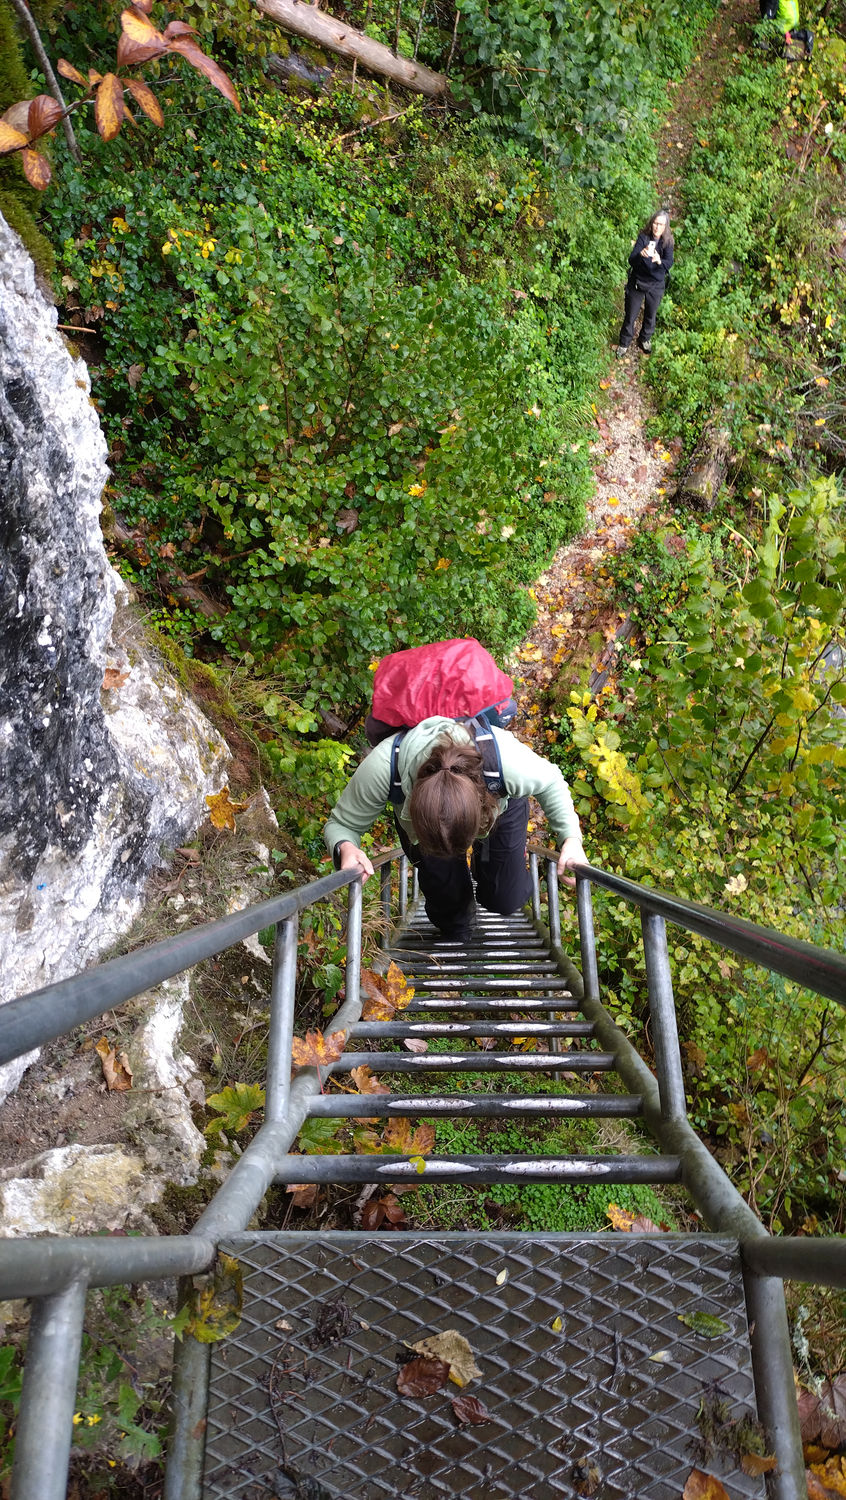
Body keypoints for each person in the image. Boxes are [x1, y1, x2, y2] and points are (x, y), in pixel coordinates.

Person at [324, 714, 586, 941]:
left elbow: (552, 781)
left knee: (504, 898)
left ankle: (485, 867)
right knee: (452, 917)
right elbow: (342, 824)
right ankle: (457, 918)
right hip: (424, 830)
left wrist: (571, 839)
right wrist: (345, 847)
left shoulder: (507, 763)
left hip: (499, 807)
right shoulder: (382, 769)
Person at [616, 209, 674, 358]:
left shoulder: (667, 242)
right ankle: (624, 343)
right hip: (638, 280)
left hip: (656, 284)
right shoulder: (643, 237)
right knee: (631, 314)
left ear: (665, 226)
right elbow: (631, 260)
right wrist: (641, 255)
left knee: (651, 314)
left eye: (661, 224)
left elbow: (669, 262)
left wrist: (659, 261)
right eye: (655, 223)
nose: (657, 227)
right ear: (651, 223)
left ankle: (645, 339)